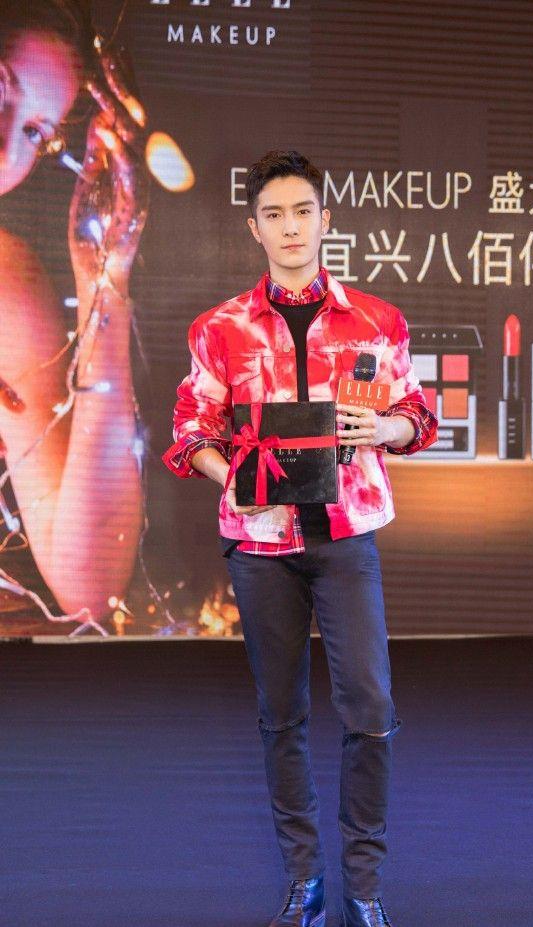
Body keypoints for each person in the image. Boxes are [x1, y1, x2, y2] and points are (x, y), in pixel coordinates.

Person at [162, 149, 437, 927]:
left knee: (371, 707)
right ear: (254, 228)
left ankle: (365, 885)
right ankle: (305, 879)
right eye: (274, 215)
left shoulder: (377, 320)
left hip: (347, 539)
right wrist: (237, 478)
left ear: (325, 219)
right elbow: (190, 430)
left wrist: (384, 427)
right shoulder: (219, 329)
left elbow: (418, 415)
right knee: (281, 713)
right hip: (260, 546)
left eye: (303, 212)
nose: (290, 227)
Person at [0, 0, 148, 630]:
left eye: (35, 132)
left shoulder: (6, 285)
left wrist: (102, 282)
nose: (3, 146)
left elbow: (88, 583)